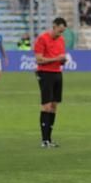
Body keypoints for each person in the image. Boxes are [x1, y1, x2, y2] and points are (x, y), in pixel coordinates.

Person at [34, 17, 68, 148]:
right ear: (54, 26)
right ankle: (44, 140)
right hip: (45, 73)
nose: (60, 34)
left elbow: (60, 58)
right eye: (59, 30)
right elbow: (39, 60)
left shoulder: (61, 40)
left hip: (57, 73)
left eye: (62, 31)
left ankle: (49, 139)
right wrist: (56, 58)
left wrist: (62, 61)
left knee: (54, 106)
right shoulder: (42, 39)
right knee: (46, 106)